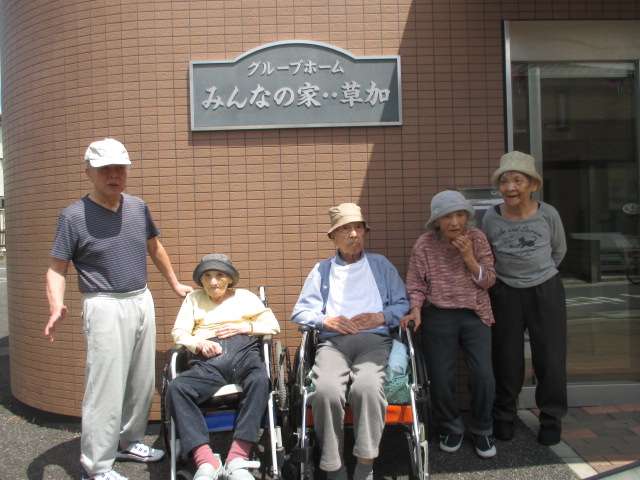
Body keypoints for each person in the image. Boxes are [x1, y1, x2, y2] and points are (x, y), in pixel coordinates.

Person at [44, 138, 193, 480]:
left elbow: (155, 247)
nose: (114, 175)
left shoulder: (138, 207)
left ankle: (129, 441)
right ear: (89, 172)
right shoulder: (73, 216)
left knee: (141, 380)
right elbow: (56, 268)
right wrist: (56, 304)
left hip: (141, 299)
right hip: (104, 304)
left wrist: (173, 283)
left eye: (120, 168)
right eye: (105, 169)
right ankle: (96, 466)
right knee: (105, 387)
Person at [291, 202, 409, 480]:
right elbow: (300, 312)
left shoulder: (380, 265)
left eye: (358, 227)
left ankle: (365, 467)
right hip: (334, 343)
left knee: (367, 387)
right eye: (345, 229)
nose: (353, 234)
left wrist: (381, 316)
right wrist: (326, 321)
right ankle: (334, 467)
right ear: (333, 236)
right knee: (326, 390)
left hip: (374, 341)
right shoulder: (322, 270)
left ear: (365, 232)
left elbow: (402, 303)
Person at [167, 253, 280, 480]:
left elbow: (272, 325)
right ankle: (206, 461)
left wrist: (245, 327)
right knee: (177, 388)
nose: (213, 281)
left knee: (260, 380)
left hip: (244, 353)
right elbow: (179, 333)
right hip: (208, 361)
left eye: (219, 275)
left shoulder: (245, 297)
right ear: (201, 280)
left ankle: (237, 458)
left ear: (229, 278)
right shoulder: (193, 299)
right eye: (207, 276)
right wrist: (198, 343)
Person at [402, 190, 497, 458]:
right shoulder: (425, 244)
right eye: (447, 217)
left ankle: (483, 428)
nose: (454, 222)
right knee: (441, 377)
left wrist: (469, 257)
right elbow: (416, 283)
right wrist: (416, 309)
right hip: (438, 313)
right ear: (436, 221)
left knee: (483, 374)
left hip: (475, 313)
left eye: (459, 215)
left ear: (467, 216)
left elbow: (489, 280)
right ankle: (451, 426)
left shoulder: (477, 238)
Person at [482, 151, 568, 446]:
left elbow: (558, 250)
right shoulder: (490, 217)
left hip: (546, 289)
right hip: (505, 291)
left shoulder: (548, 214)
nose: (510, 187)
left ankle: (551, 419)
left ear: (532, 184)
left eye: (517, 180)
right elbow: (487, 254)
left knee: (550, 357)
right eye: (504, 181)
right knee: (506, 357)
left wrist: (539, 275)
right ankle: (504, 417)